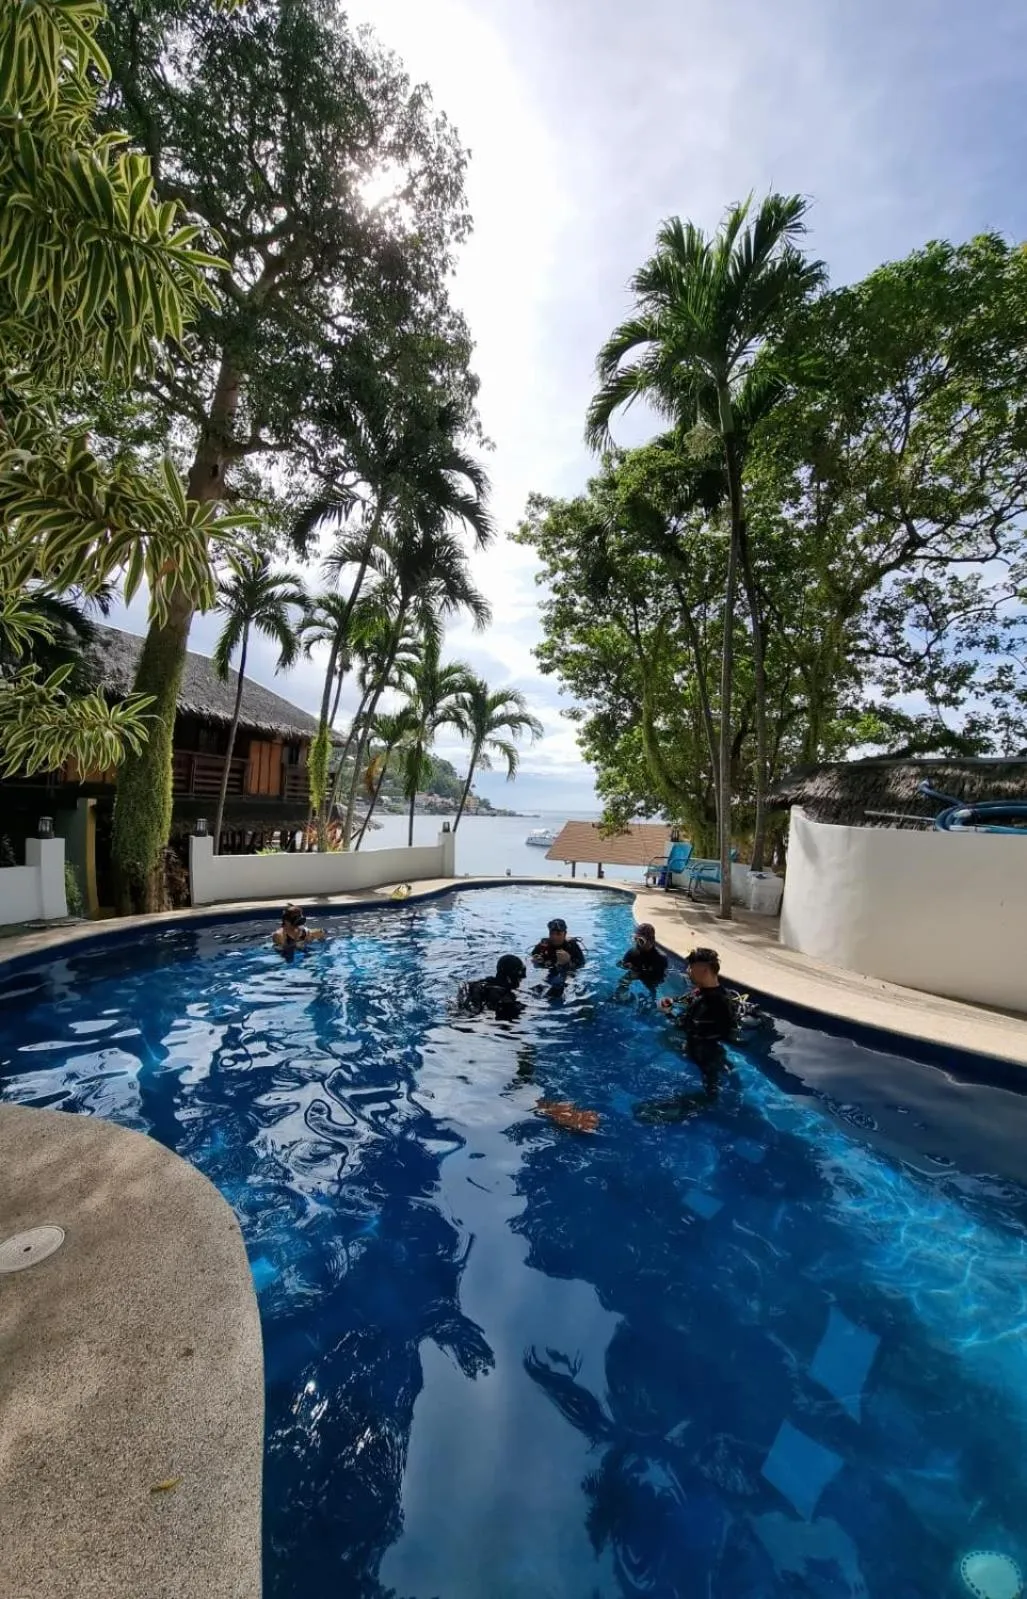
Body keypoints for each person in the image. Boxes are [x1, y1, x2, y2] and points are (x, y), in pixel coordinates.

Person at [636, 947, 737, 1122]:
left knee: (711, 1096)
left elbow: (687, 1027)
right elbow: (687, 1000)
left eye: (690, 967)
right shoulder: (703, 992)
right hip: (699, 1048)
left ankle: (679, 1111)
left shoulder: (714, 1003)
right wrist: (672, 1001)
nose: (687, 971)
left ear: (703, 970)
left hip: (706, 1055)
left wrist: (667, 1013)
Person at [458, 954, 527, 1022]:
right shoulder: (505, 997)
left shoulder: (482, 984)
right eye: (520, 973)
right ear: (510, 975)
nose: (522, 978)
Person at [530, 917, 586, 995]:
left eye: (558, 934)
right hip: (549, 971)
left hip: (567, 972)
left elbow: (582, 964)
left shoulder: (571, 945)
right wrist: (537, 959)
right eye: (552, 933)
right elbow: (533, 955)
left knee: (567, 986)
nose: (554, 937)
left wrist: (568, 961)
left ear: (565, 934)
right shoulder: (544, 943)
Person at [617, 923, 668, 995]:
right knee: (623, 980)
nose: (637, 943)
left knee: (652, 991)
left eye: (641, 941)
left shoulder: (660, 958)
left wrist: (639, 975)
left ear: (651, 941)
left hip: (651, 980)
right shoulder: (632, 952)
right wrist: (622, 965)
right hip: (637, 973)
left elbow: (659, 979)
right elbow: (624, 965)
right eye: (635, 939)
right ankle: (619, 997)